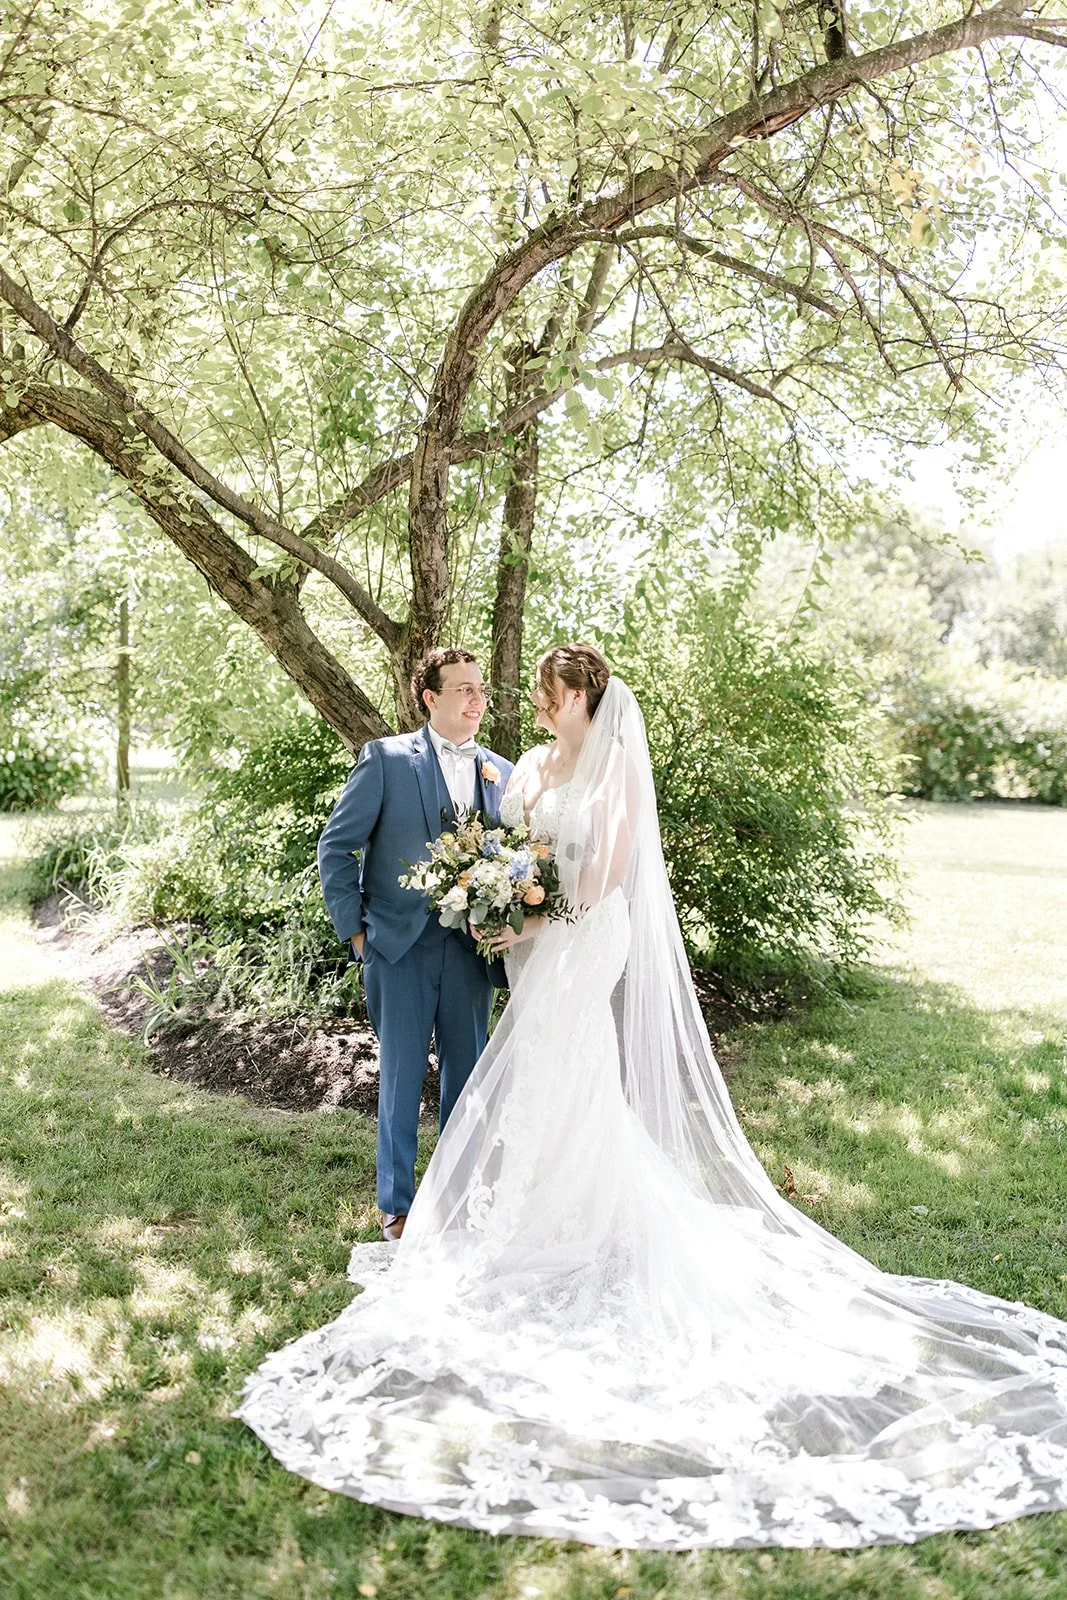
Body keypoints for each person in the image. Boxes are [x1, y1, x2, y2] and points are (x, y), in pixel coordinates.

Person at [239, 644, 1067, 1549]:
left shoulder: (604, 769)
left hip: (576, 938)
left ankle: (573, 1216)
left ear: (581, 698)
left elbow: (600, 878)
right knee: (514, 1080)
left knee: (558, 1068)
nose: (523, 702)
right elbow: (484, 847)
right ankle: (473, 1206)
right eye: (492, 690)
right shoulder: (513, 766)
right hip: (512, 946)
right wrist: (483, 909)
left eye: (545, 693)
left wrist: (523, 912)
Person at [316, 646, 512, 1241]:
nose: (477, 699)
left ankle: (457, 1197)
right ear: (430, 697)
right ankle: (397, 1205)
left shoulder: (500, 771)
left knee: (467, 1079)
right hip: (398, 948)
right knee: (401, 1077)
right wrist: (357, 933)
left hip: (472, 950)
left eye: (481, 689)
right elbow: (336, 846)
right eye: (463, 689)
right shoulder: (386, 759)